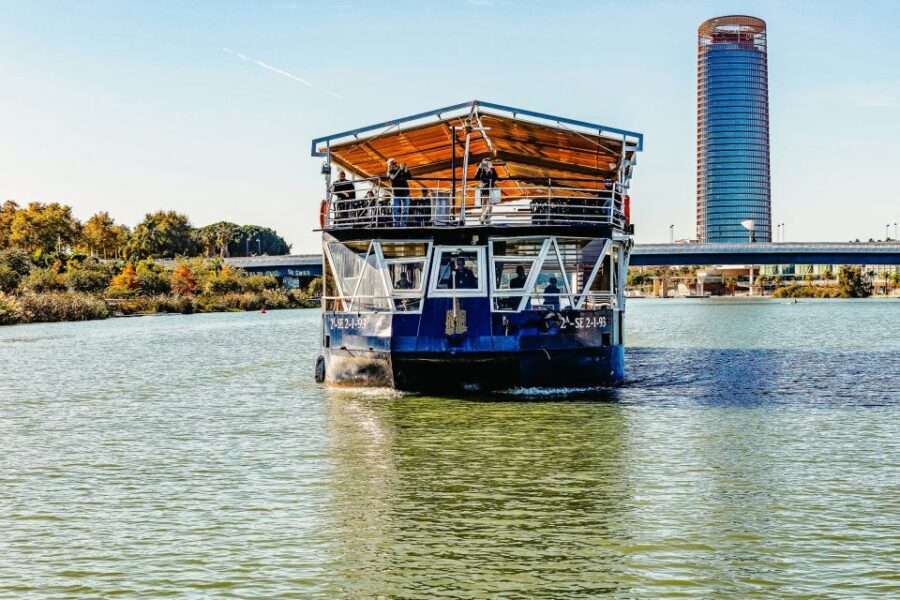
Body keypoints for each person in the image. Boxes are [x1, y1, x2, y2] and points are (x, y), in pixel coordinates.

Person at [386, 158, 411, 227]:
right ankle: (396, 224)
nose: (394, 165)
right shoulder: (389, 172)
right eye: (392, 163)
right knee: (395, 210)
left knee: (405, 210)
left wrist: (406, 169)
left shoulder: (400, 170)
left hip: (405, 192)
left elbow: (408, 177)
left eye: (395, 163)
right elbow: (393, 178)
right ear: (389, 165)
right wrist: (400, 169)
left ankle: (403, 224)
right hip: (396, 194)